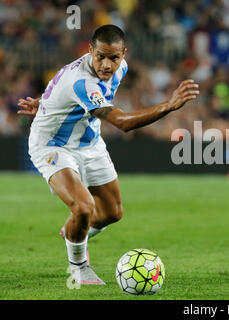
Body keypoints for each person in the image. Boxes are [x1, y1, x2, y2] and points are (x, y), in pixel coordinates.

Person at [17, 25, 200, 285]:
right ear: (90, 50)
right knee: (83, 207)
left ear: (124, 54)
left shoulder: (120, 68)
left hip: (90, 142)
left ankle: (73, 232)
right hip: (53, 145)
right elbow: (123, 123)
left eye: (113, 58)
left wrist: (45, 104)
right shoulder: (81, 81)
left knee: (112, 213)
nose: (106, 64)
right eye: (100, 56)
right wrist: (168, 105)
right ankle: (79, 269)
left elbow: (61, 91)